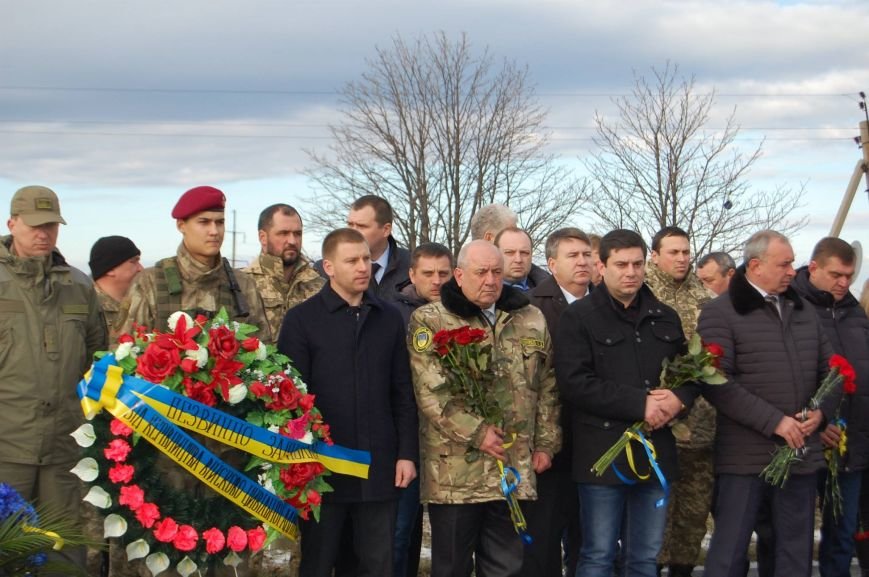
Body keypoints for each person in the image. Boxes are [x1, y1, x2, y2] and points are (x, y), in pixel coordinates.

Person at [408, 240, 560, 577]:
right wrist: (478, 432)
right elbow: (431, 392)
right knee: (451, 568)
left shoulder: (529, 317)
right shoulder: (430, 320)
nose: (490, 280)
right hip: (456, 473)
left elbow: (547, 384)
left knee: (507, 568)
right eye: (481, 273)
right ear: (459, 275)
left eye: (496, 272)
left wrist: (548, 443)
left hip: (513, 466)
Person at [554, 229, 696, 577]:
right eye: (621, 264)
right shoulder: (579, 317)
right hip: (602, 455)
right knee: (598, 555)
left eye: (637, 263)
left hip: (656, 450)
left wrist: (679, 400)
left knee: (645, 558)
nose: (630, 272)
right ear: (601, 267)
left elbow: (690, 373)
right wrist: (639, 404)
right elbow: (574, 383)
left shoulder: (665, 316)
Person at [279, 228, 418, 577]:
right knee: (319, 562)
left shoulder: (387, 317)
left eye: (366, 260)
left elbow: (402, 391)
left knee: (377, 564)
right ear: (328, 266)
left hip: (379, 467)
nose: (363, 267)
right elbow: (290, 400)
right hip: (322, 471)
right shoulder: (302, 320)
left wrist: (406, 454)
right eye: (351, 260)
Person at [698, 230, 833, 577]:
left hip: (800, 455)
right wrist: (775, 421)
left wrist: (821, 412)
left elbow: (832, 372)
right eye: (784, 264)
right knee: (729, 553)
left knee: (794, 556)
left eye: (791, 263)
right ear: (755, 266)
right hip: (745, 459)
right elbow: (716, 382)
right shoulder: (720, 312)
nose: (793, 270)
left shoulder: (803, 310)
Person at [0, 185, 107, 574]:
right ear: (12, 223)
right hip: (6, 446)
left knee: (64, 554)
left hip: (64, 449)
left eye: (51, 225)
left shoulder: (78, 286)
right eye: (34, 225)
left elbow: (98, 361)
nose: (43, 233)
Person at [791, 237, 869, 577]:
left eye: (849, 276)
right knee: (794, 534)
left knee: (843, 530)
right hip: (802, 440)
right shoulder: (791, 308)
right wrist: (817, 421)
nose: (843, 283)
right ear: (814, 269)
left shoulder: (856, 315)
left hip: (851, 443)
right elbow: (781, 373)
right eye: (836, 274)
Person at [645, 227, 715, 577]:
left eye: (686, 252)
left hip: (700, 425)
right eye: (673, 252)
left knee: (693, 512)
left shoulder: (706, 298)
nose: (682, 258)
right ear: (654, 256)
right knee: (654, 516)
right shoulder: (639, 292)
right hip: (654, 424)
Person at [523, 227, 592, 577]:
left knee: (592, 539)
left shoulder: (606, 303)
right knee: (544, 535)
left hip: (598, 439)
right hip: (550, 442)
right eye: (573, 255)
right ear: (552, 263)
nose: (582, 261)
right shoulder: (532, 307)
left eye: (586, 254)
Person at [116, 185, 269, 340]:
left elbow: (263, 350)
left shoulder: (243, 285)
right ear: (181, 225)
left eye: (220, 222)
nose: (214, 231)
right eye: (204, 222)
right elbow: (124, 349)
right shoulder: (150, 282)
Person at [392, 242, 453, 577]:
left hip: (454, 444)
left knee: (449, 539)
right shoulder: (392, 314)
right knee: (400, 533)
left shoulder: (465, 313)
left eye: (443, 273)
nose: (436, 281)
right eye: (427, 273)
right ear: (411, 274)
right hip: (410, 440)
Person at [242, 203, 324, 338]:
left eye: (297, 234)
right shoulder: (243, 285)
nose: (292, 241)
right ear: (263, 237)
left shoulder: (319, 286)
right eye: (283, 233)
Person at [344, 195, 410, 300]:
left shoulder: (414, 266)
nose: (352, 232)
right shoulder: (328, 270)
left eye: (361, 226)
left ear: (386, 230)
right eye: (350, 225)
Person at [89, 235, 143, 341]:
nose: (141, 268)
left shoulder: (141, 304)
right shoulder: (87, 306)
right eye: (133, 261)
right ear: (110, 269)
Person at [495, 227, 548, 291]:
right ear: (495, 254)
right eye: (510, 252)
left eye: (524, 253)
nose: (518, 260)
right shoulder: (481, 294)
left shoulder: (552, 291)